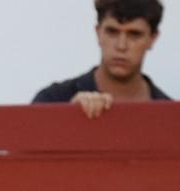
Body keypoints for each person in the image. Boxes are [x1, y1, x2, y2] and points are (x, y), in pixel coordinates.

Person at [33, 0, 170, 120]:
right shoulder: (53, 100)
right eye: (112, 32)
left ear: (153, 38)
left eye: (134, 34)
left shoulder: (171, 114)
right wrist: (69, 117)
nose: (121, 46)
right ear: (98, 33)